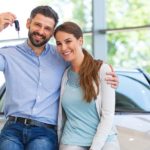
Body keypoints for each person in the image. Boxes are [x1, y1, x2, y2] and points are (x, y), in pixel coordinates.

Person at [0, 6, 119, 150]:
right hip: (13, 127)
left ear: (52, 33)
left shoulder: (61, 56)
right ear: (28, 23)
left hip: (44, 131)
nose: (41, 31)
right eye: (38, 24)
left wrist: (108, 77)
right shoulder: (8, 54)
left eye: (47, 28)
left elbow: (85, 64)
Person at [54, 22, 120, 150]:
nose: (63, 47)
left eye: (68, 41)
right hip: (72, 140)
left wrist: (94, 148)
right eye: (59, 43)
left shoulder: (102, 70)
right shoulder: (64, 75)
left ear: (80, 41)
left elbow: (108, 115)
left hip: (105, 140)